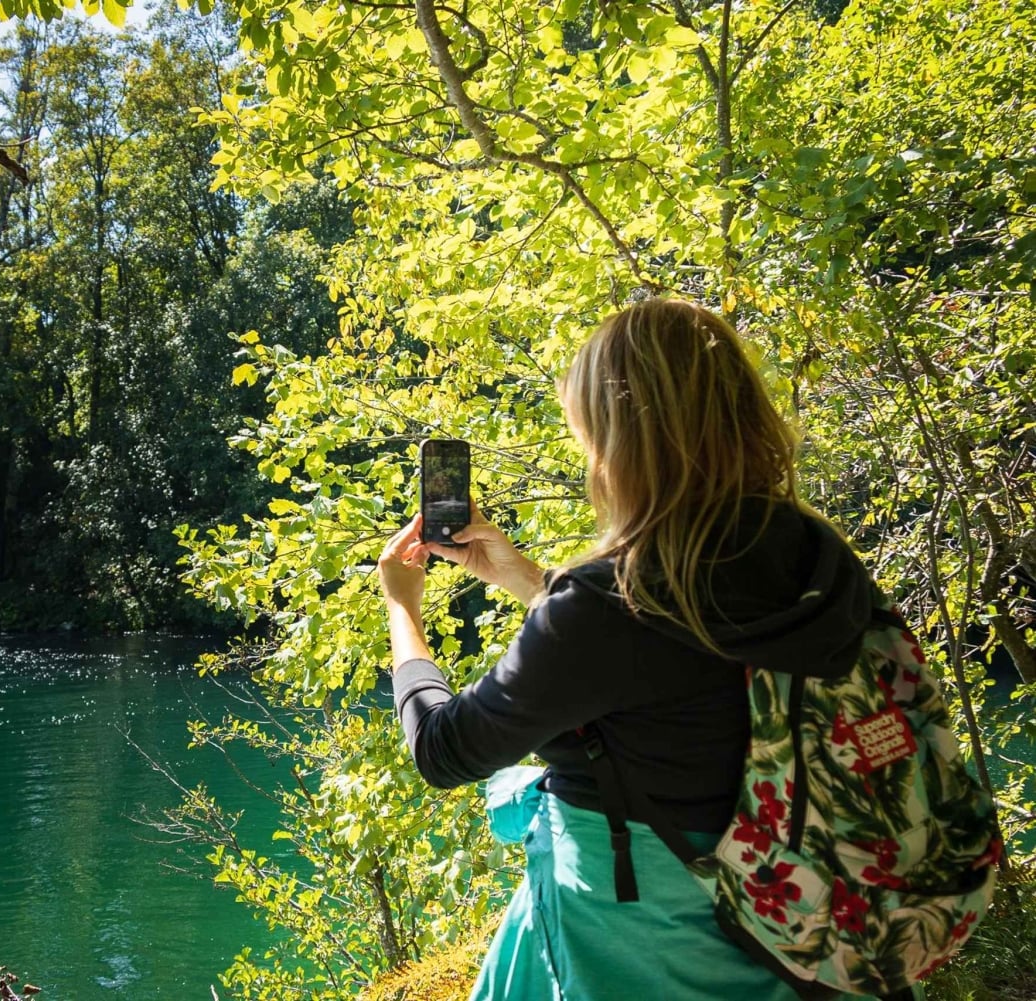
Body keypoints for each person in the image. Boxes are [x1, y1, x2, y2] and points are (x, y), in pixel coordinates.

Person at [375, 298, 883, 1000]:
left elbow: (439, 746)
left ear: (623, 445)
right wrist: (528, 580)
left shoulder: (603, 607)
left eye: (589, 435)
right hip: (799, 934)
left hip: (635, 950)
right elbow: (679, 653)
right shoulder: (819, 557)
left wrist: (403, 606)